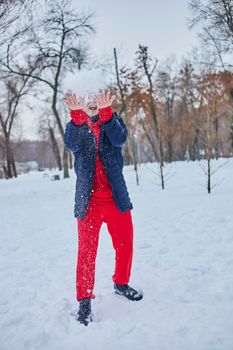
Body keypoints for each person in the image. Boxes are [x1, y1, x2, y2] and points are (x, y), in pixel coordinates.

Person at [64, 90, 143, 326]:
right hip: (88, 203)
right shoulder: (75, 126)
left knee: (125, 245)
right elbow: (71, 143)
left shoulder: (113, 121)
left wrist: (108, 114)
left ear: (102, 100)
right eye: (86, 96)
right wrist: (77, 116)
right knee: (86, 254)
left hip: (115, 199)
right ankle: (85, 301)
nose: (91, 100)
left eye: (96, 96)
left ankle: (121, 283)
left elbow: (119, 139)